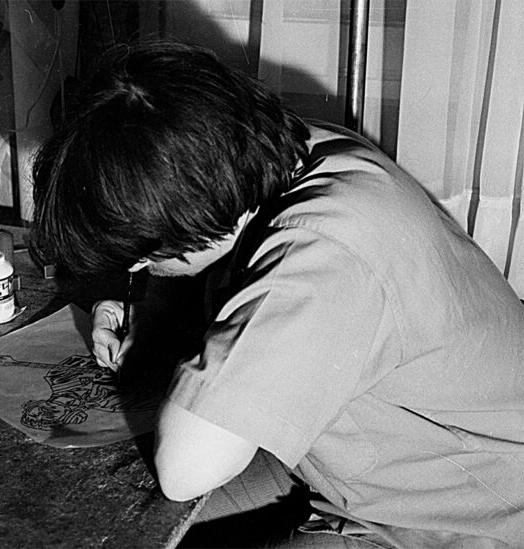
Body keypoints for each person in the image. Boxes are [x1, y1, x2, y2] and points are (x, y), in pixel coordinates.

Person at [31, 41, 524, 548]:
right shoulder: (287, 150)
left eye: (144, 256)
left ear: (197, 212)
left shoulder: (323, 253)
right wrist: (147, 311)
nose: (138, 269)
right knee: (103, 529)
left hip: (466, 518)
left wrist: (173, 357)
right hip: (356, 468)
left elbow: (186, 470)